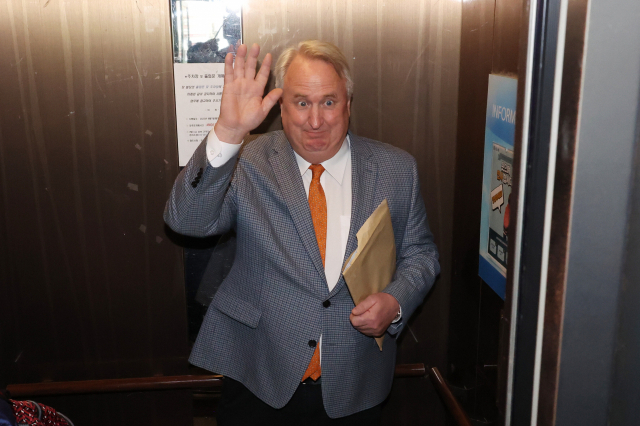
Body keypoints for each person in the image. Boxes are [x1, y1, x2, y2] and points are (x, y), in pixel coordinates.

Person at [164, 40, 440, 425]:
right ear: (281, 107)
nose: (315, 120)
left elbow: (421, 254)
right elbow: (186, 221)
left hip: (355, 384)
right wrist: (228, 131)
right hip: (258, 378)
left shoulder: (396, 169)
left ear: (348, 104)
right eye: (301, 102)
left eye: (328, 102)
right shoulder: (247, 162)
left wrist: (395, 301)